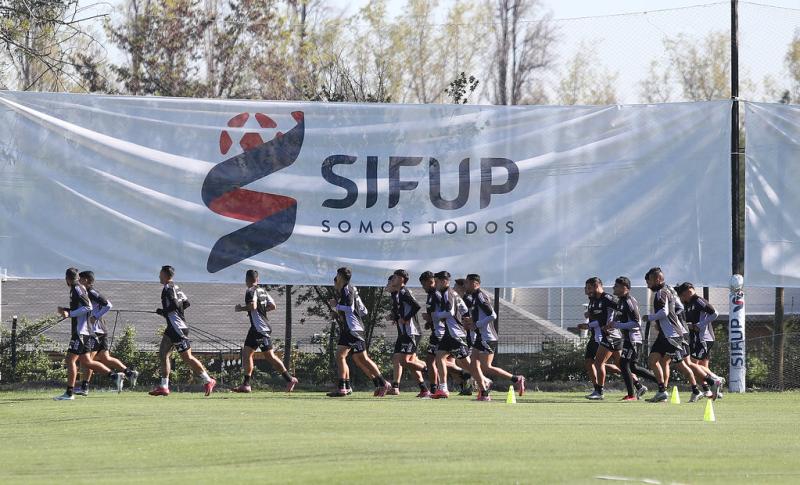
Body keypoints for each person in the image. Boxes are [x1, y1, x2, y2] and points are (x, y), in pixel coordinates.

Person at [54, 268, 124, 401]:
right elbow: (82, 308)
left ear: (67, 279)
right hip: (86, 332)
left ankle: (69, 393)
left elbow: (88, 307)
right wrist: (66, 310)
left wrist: (70, 313)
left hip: (81, 332)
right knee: (87, 361)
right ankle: (115, 376)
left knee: (70, 360)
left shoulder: (77, 288)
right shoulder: (78, 288)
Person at [148, 265, 216, 397]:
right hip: (172, 328)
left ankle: (208, 380)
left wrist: (164, 312)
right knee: (163, 353)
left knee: (187, 358)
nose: (159, 276)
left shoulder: (168, 288)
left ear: (166, 275)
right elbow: (186, 303)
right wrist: (172, 314)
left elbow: (174, 305)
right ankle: (164, 386)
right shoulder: (176, 287)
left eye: (160, 274)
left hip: (178, 328)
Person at [327, 267, 391, 397]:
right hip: (351, 329)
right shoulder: (350, 290)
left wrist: (336, 305)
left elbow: (350, 308)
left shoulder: (347, 289)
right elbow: (363, 311)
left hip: (353, 330)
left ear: (340, 277)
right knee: (346, 357)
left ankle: (383, 383)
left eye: (337, 276)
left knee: (362, 358)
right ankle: (345, 387)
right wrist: (339, 314)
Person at [231, 270, 298, 393]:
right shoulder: (263, 291)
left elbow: (253, 306)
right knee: (246, 353)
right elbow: (273, 306)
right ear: (258, 279)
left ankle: (289, 379)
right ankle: (246, 385)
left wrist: (241, 308)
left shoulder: (250, 291)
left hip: (260, 328)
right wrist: (261, 311)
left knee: (270, 356)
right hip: (255, 328)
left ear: (247, 279)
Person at [74, 271, 139, 396]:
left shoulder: (91, 292)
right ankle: (130, 373)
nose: (78, 281)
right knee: (105, 358)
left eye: (80, 279)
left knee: (87, 360)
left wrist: (95, 317)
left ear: (86, 280)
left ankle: (85, 387)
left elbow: (108, 304)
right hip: (101, 331)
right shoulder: (86, 293)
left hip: (96, 331)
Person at [642, 267, 701, 403]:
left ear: (657, 279)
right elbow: (678, 308)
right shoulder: (666, 291)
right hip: (665, 335)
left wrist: (650, 318)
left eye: (649, 281)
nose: (648, 285)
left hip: (672, 336)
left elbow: (664, 312)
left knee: (681, 365)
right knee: (653, 361)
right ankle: (662, 392)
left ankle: (696, 390)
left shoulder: (661, 293)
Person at [464, 273, 525, 399]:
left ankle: (516, 379)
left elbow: (492, 315)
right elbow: (480, 316)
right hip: (480, 337)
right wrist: (471, 322)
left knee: (486, 367)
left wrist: (477, 324)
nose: (466, 285)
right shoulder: (474, 297)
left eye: (467, 283)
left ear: (475, 284)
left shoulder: (480, 296)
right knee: (473, 365)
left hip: (488, 338)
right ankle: (484, 392)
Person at [431, 271, 489, 401]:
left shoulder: (448, 293)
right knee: (439, 356)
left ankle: (485, 383)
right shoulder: (454, 294)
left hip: (455, 334)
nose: (436, 284)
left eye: (438, 281)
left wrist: (436, 315)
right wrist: (465, 318)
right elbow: (464, 309)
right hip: (449, 333)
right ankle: (443, 388)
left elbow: (450, 312)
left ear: (445, 281)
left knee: (468, 365)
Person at [608, 276, 657, 401]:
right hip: (628, 339)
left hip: (634, 339)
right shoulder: (621, 301)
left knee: (624, 365)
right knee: (633, 367)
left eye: (616, 286)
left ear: (625, 288)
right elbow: (622, 317)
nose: (614, 288)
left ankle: (631, 395)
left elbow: (636, 322)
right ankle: (660, 382)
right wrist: (613, 323)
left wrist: (617, 325)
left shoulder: (629, 301)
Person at [677, 282, 725, 399]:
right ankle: (711, 391)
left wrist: (700, 325)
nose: (682, 298)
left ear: (689, 291)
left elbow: (715, 313)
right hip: (697, 339)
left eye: (683, 295)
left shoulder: (698, 300)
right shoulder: (688, 304)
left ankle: (715, 379)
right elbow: (690, 322)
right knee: (701, 367)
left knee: (692, 364)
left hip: (704, 338)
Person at [386, 270, 429, 397]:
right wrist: (395, 317)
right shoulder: (397, 294)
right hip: (404, 333)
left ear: (401, 279)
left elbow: (416, 306)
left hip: (411, 333)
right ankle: (423, 389)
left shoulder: (404, 292)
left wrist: (405, 318)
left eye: (394, 278)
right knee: (401, 360)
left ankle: (430, 370)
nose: (391, 281)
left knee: (405, 361)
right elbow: (401, 311)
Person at [585, 277, 622, 400]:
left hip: (606, 336)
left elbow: (621, 310)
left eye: (589, 288)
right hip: (595, 336)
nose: (587, 291)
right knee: (591, 362)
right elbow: (596, 317)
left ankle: (599, 391)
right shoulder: (594, 300)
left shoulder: (607, 298)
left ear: (596, 286)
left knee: (601, 363)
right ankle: (597, 388)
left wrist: (613, 324)